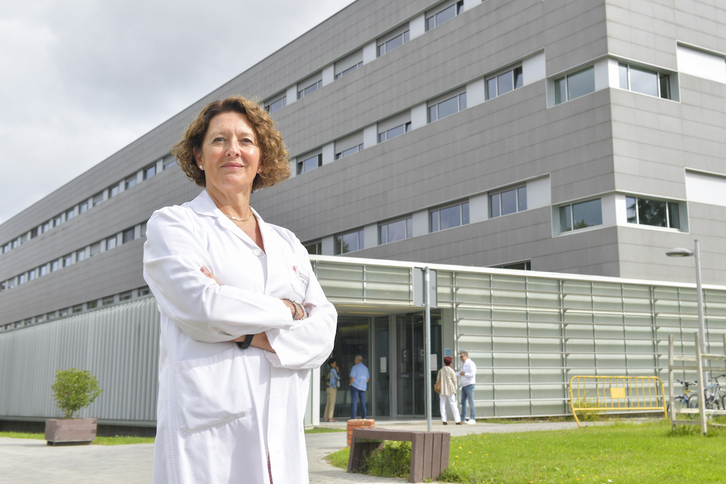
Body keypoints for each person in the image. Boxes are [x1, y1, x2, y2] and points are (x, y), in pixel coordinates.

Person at [143, 96, 338, 484]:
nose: (233, 149)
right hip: (208, 441)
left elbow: (324, 331)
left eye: (246, 141)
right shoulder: (175, 226)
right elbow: (205, 309)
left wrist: (248, 332)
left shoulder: (287, 243)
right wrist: (291, 311)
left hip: (280, 438)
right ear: (199, 156)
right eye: (219, 140)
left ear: (261, 159)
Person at [436, 356, 462, 425]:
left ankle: (444, 420)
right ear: (450, 363)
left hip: (442, 390)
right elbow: (454, 381)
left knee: (442, 404)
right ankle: (457, 420)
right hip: (450, 389)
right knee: (453, 404)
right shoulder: (451, 370)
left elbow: (438, 379)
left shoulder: (441, 371)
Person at [458, 350, 477, 424]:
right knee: (463, 402)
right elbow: (460, 373)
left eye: (462, 356)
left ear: (466, 356)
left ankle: (473, 418)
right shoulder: (464, 364)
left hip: (469, 385)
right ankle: (463, 418)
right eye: (460, 357)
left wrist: (464, 373)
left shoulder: (470, 363)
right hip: (464, 385)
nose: (461, 358)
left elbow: (472, 375)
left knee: (471, 402)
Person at [349, 355, 369, 419]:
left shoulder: (354, 367)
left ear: (357, 360)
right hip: (363, 387)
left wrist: (350, 384)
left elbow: (352, 377)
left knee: (354, 402)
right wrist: (363, 383)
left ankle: (353, 418)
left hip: (355, 386)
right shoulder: (365, 368)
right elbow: (368, 378)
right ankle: (364, 417)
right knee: (363, 402)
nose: (354, 361)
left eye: (355, 360)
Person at [324, 358, 341, 422]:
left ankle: (326, 417)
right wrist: (338, 371)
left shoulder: (328, 370)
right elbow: (338, 377)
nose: (335, 364)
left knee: (328, 402)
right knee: (332, 403)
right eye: (334, 363)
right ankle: (330, 417)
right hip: (332, 388)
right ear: (331, 364)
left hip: (328, 387)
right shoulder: (333, 370)